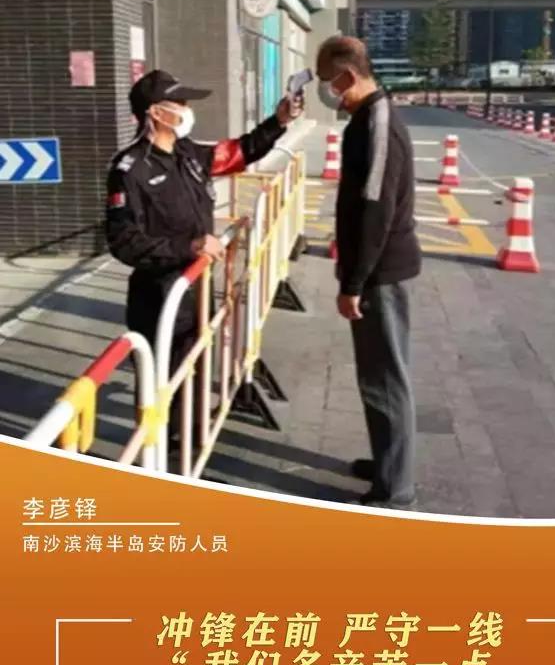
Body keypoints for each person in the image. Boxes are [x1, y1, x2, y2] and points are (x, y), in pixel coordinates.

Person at [105, 68, 301, 441]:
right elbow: (122, 240)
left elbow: (240, 151)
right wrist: (188, 246)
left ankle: (190, 439)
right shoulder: (129, 169)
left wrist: (279, 121)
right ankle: (158, 453)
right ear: (156, 112)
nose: (187, 110)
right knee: (161, 380)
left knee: (194, 367)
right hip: (159, 295)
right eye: (179, 103)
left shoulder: (189, 154)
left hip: (196, 288)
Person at [316, 36, 421, 508]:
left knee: (385, 378)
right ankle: (386, 462)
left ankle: (395, 488)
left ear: (347, 76)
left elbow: (376, 209)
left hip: (380, 273)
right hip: (373, 268)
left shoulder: (378, 122)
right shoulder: (365, 118)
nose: (327, 92)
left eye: (328, 82)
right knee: (376, 375)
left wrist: (354, 283)